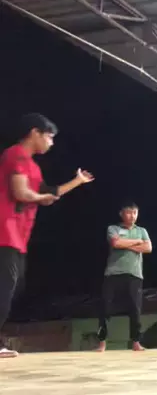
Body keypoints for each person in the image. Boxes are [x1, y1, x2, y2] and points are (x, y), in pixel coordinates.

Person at [0, 113, 94, 358]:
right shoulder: (15, 154)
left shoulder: (33, 167)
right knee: (5, 288)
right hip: (4, 232)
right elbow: (21, 193)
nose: (51, 143)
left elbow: (50, 192)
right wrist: (41, 198)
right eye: (49, 137)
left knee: (14, 288)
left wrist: (77, 181)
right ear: (35, 133)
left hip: (18, 238)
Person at [97, 201, 152, 352]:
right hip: (113, 273)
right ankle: (102, 342)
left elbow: (148, 247)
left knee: (135, 309)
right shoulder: (113, 228)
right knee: (105, 308)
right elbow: (115, 243)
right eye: (129, 212)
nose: (132, 216)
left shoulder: (142, 230)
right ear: (121, 214)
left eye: (135, 212)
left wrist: (126, 243)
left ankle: (136, 342)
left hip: (134, 274)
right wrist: (137, 243)